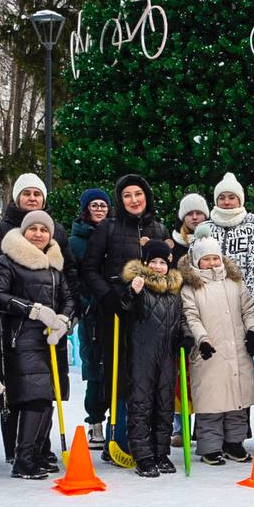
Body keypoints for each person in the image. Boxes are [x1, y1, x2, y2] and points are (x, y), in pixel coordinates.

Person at [0, 172, 76, 462]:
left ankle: (38, 448)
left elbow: (66, 285)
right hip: (18, 330)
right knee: (23, 391)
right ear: (17, 197)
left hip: (49, 335)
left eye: (37, 194)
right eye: (27, 193)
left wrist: (66, 318)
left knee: (45, 392)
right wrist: (1, 313)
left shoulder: (54, 240)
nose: (32, 198)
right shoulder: (3, 239)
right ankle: (19, 452)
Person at [80, 173, 169, 463]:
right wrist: (108, 296)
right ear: (120, 199)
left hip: (150, 316)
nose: (133, 200)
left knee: (149, 376)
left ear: (146, 197)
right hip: (117, 312)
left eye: (138, 194)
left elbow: (165, 270)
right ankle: (116, 438)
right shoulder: (108, 227)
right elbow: (90, 268)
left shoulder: (157, 228)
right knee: (120, 374)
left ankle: (147, 439)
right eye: (127, 195)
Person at [180, 236, 254, 466]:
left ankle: (234, 443)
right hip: (209, 352)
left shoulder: (235, 282)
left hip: (238, 349)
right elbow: (191, 316)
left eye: (216, 258)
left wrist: (253, 331)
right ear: (197, 262)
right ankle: (210, 446)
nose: (212, 263)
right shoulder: (191, 287)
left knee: (238, 401)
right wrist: (202, 339)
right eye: (206, 259)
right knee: (211, 402)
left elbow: (249, 309)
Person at [118, 241, 184, 477]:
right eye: (153, 262)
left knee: (165, 405)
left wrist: (185, 337)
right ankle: (143, 456)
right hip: (142, 355)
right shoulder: (139, 286)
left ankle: (161, 452)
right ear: (146, 263)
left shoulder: (174, 293)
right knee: (141, 405)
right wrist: (133, 293)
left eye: (162, 262)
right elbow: (126, 307)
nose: (158, 267)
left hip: (167, 356)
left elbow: (181, 321)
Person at [68, 188, 111, 448]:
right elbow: (72, 275)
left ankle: (115, 419)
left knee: (115, 366)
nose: (98, 209)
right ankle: (95, 421)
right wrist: (83, 303)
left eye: (103, 205)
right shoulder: (76, 240)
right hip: (90, 311)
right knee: (94, 368)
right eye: (93, 205)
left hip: (113, 309)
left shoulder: (114, 234)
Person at [198, 173, 254, 290]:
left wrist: (248, 297)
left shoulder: (250, 229)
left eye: (231, 197)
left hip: (241, 296)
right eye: (222, 198)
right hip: (208, 294)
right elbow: (193, 263)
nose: (226, 202)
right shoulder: (204, 228)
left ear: (240, 200)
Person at [169, 193, 210, 267]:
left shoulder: (215, 239)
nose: (194, 217)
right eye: (189, 214)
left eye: (199, 213)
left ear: (206, 216)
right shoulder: (172, 244)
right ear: (183, 217)